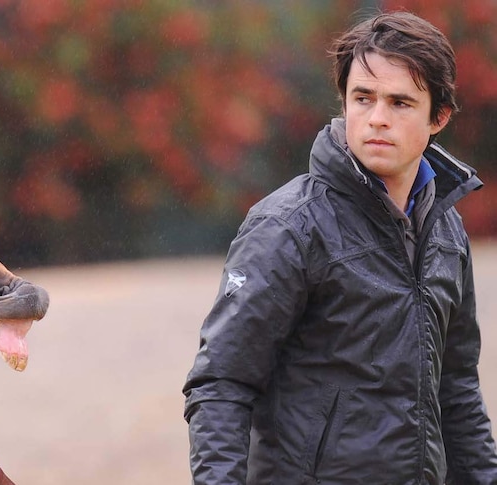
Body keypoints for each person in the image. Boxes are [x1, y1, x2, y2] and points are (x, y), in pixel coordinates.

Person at [182, 11, 497, 484]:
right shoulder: (287, 226)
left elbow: (456, 391)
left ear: (439, 117)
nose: (377, 119)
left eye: (400, 103)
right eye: (363, 98)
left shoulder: (446, 232)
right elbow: (222, 383)